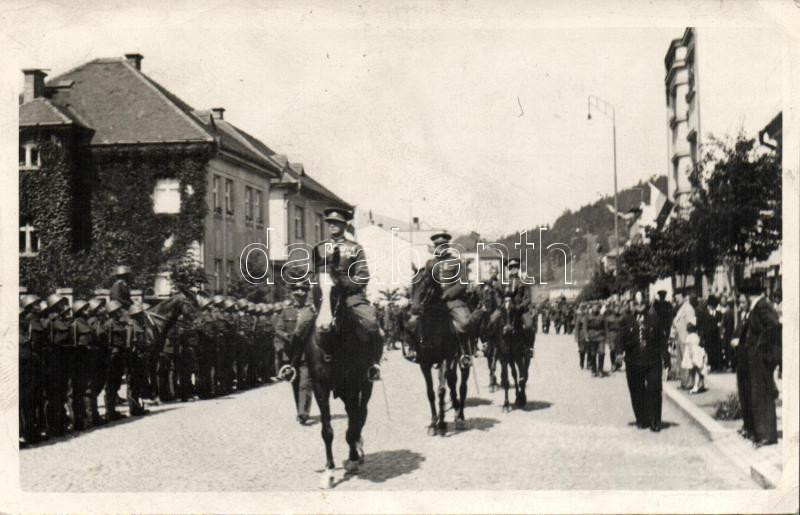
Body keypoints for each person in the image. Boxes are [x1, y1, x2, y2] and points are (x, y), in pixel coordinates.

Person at [313, 208, 382, 381]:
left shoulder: (355, 248)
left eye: (336, 222)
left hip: (350, 295)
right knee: (302, 323)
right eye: (330, 222)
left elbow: (363, 275)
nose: (332, 225)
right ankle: (293, 364)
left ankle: (373, 364)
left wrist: (345, 283)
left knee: (371, 323)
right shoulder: (319, 248)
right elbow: (312, 273)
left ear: (345, 225)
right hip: (323, 295)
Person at [734, 278, 781, 447]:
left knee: (762, 395)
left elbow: (774, 326)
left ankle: (766, 435)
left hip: (761, 358)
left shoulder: (761, 306)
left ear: (748, 295)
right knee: (758, 395)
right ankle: (761, 432)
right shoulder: (758, 306)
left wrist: (761, 346)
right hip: (756, 359)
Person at [620, 297, 669, 432]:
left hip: (653, 361)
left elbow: (662, 340)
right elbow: (620, 338)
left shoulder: (655, 319)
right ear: (633, 305)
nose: (640, 305)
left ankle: (655, 421)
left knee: (654, 390)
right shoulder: (626, 320)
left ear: (647, 304)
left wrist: (666, 357)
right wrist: (619, 353)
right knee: (637, 391)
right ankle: (642, 419)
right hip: (633, 361)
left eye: (642, 302)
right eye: (637, 303)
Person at [278, 277, 316, 424]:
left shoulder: (311, 311)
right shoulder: (286, 311)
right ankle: (299, 409)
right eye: (296, 290)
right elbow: (278, 329)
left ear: (306, 294)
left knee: (305, 383)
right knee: (295, 383)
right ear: (293, 293)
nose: (300, 293)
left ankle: (303, 413)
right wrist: (286, 336)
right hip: (291, 354)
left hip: (306, 353)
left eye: (303, 290)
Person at [671, 289, 696, 389]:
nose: (677, 299)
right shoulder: (680, 309)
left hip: (686, 338)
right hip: (679, 338)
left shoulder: (688, 308)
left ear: (684, 297)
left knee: (687, 361)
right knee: (681, 361)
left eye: (678, 297)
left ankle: (689, 383)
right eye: (676, 297)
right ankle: (684, 382)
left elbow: (692, 323)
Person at [685, 322, 707, 394]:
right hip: (699, 353)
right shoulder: (697, 336)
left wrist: (691, 358)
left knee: (694, 371)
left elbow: (690, 348)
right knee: (700, 370)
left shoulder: (689, 337)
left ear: (688, 330)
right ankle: (702, 384)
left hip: (694, 355)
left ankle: (695, 386)